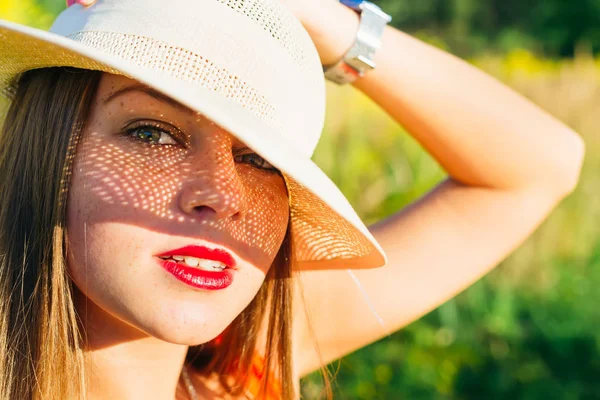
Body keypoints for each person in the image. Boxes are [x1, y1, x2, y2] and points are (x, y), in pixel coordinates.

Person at [0, 0, 584, 399]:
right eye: (152, 132)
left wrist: (329, 24)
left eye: (260, 158)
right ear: (50, 150)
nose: (222, 195)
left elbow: (543, 165)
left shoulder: (246, 370)